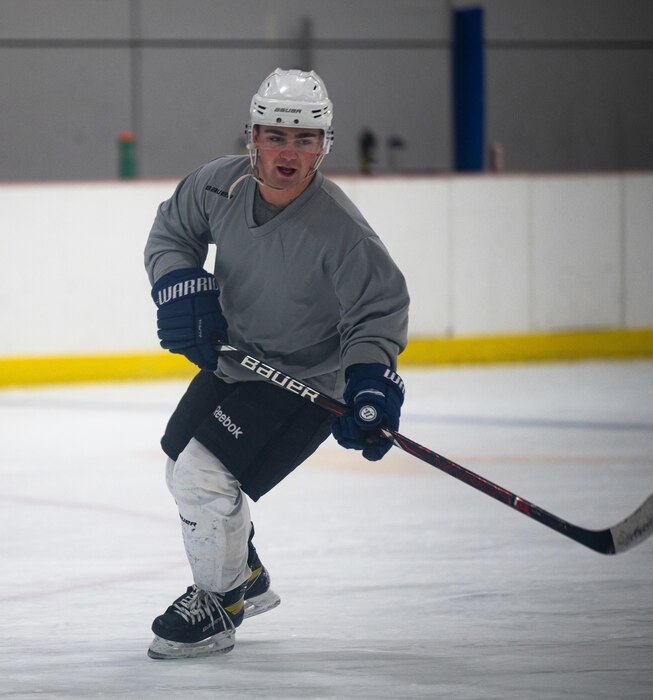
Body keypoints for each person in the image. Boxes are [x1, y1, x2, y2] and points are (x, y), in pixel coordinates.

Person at [143, 68, 410, 660]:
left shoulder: (340, 230)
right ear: (253, 137)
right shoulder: (218, 186)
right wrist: (181, 285)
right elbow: (172, 232)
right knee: (179, 459)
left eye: (306, 138)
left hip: (306, 380)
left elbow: (379, 308)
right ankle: (246, 572)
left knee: (201, 474)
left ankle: (220, 604)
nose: (289, 152)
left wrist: (371, 380)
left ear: (324, 146)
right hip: (237, 361)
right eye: (277, 135)